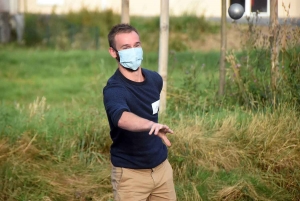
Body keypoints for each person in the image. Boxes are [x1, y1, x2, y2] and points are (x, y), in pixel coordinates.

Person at [103, 23, 176, 201]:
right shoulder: (114, 89)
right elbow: (121, 117)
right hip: (130, 176)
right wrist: (150, 125)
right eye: (126, 47)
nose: (133, 51)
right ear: (113, 52)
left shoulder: (155, 80)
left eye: (137, 45)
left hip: (162, 170)